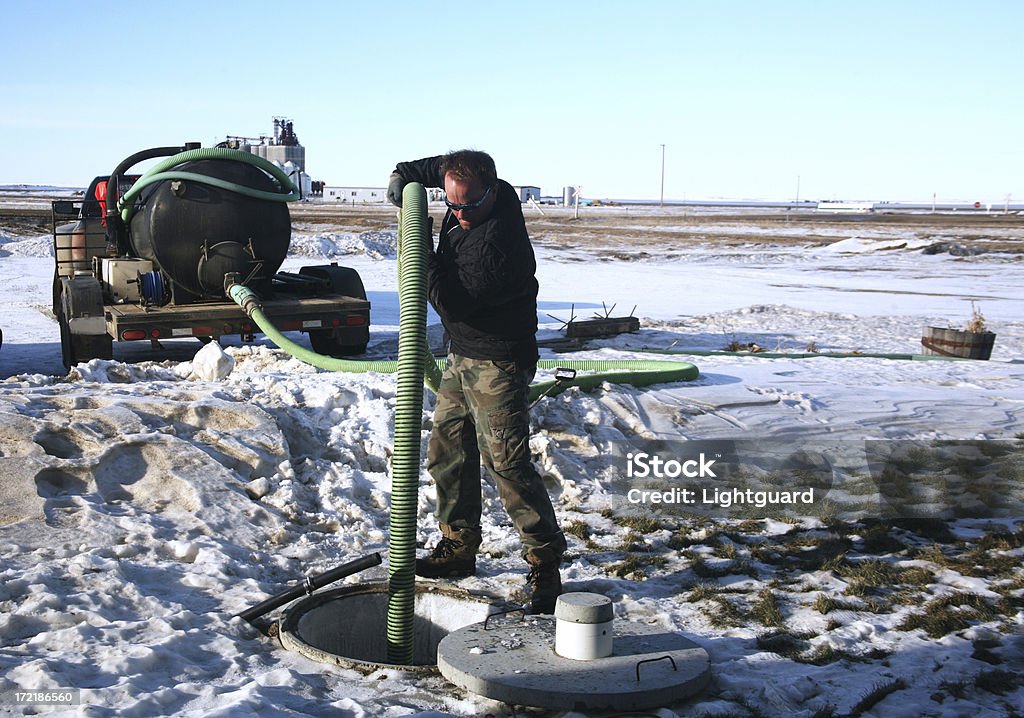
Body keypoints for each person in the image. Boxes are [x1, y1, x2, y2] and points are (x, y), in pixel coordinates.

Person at [387, 150, 566, 614]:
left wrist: (419, 251)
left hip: (499, 362)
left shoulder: (497, 245)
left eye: (468, 206)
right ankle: (458, 546)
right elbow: (435, 168)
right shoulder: (474, 186)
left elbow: (450, 301)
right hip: (462, 354)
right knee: (447, 450)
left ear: (492, 191)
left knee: (506, 462)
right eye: (452, 205)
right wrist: (402, 177)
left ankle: (545, 563)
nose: (459, 214)